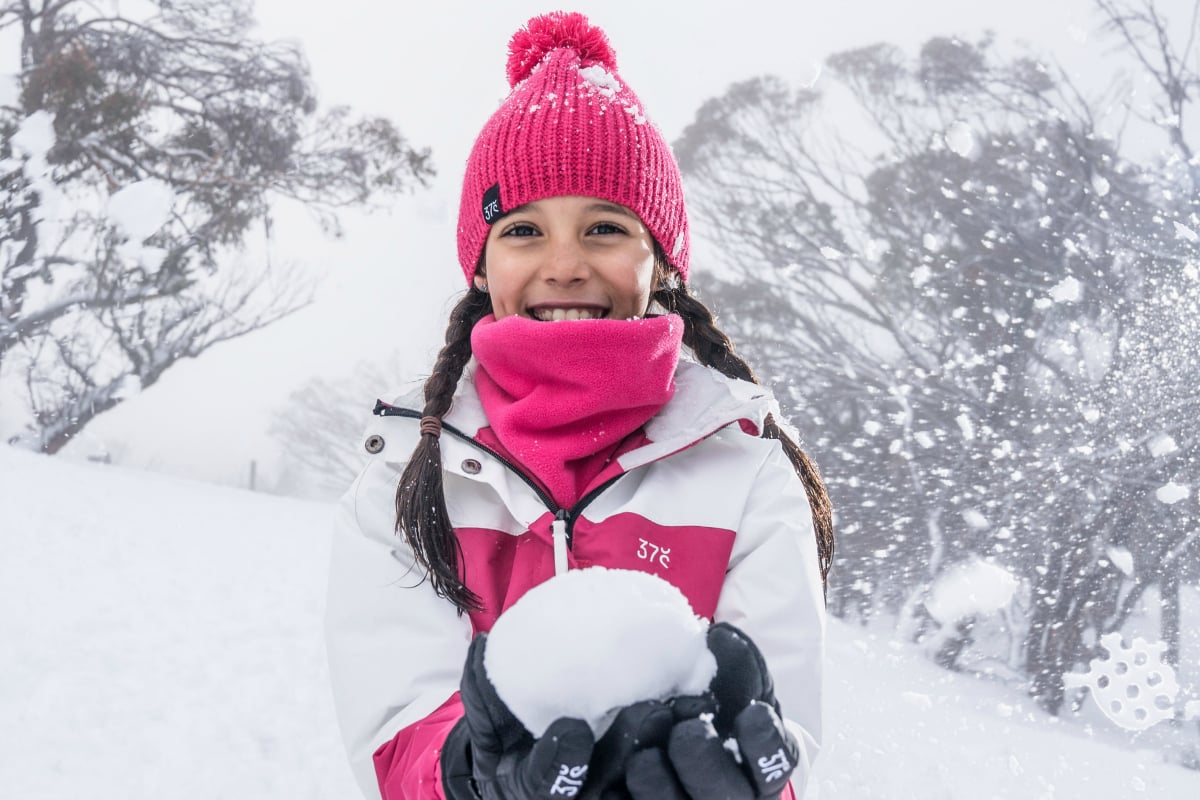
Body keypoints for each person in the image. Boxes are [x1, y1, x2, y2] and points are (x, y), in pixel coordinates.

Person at [325, 11, 834, 800]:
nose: (564, 266)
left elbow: (785, 722)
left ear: (658, 261)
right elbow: (397, 729)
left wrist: (748, 776)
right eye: (524, 230)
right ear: (482, 266)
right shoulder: (406, 476)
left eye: (603, 227)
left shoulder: (746, 464)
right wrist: (475, 774)